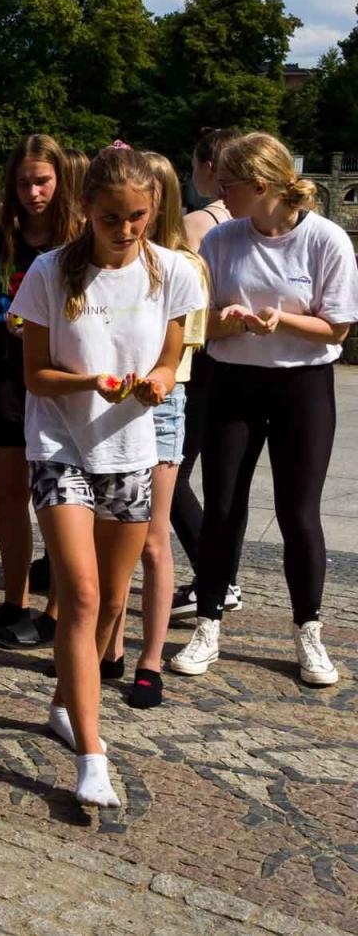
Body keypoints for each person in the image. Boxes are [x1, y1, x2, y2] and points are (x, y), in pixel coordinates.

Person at [12, 143, 202, 807]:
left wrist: (154, 378)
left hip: (130, 449)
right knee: (83, 595)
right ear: (86, 208)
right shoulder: (48, 272)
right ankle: (93, 755)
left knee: (113, 601)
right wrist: (92, 381)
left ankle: (65, 701)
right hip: (58, 444)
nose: (127, 231)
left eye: (139, 217)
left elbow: (174, 346)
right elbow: (34, 374)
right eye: (113, 218)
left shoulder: (171, 269)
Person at [170, 132, 358, 687]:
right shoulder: (223, 239)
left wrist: (281, 319)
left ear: (260, 185)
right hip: (233, 382)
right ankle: (207, 625)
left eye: (229, 185)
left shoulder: (324, 239)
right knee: (224, 506)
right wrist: (226, 322)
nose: (222, 196)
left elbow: (339, 328)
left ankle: (309, 632)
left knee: (299, 510)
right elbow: (196, 320)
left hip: (303, 386)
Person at [0, 135, 78, 647]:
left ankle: (57, 610)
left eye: (43, 181)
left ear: (60, 181)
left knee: (56, 498)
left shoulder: (78, 239)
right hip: (6, 376)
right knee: (7, 495)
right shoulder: (1, 239)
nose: (33, 192)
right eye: (24, 182)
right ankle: (15, 600)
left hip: (59, 380)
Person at [122, 152, 209, 708]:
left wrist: (149, 374)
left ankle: (149, 658)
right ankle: (106, 645)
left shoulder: (182, 265)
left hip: (160, 401)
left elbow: (186, 351)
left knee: (153, 539)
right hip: (106, 401)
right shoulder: (107, 261)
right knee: (112, 536)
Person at [169, 125, 244, 619]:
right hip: (235, 365)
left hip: (198, 363)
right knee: (222, 482)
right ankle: (220, 574)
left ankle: (217, 575)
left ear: (208, 169)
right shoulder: (244, 224)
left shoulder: (199, 224)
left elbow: (189, 306)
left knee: (172, 476)